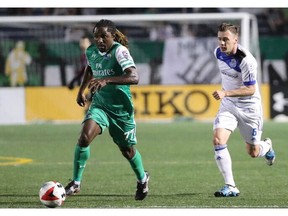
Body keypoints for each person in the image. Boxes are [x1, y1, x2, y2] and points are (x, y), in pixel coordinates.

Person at [64, 19, 150, 201]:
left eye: (104, 36)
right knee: (84, 137)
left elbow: (134, 77)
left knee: (127, 150)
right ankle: (76, 183)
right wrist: (81, 90)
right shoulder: (91, 51)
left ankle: (142, 179)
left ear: (112, 35)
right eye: (96, 37)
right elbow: (90, 67)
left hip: (121, 110)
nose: (100, 40)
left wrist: (107, 80)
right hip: (100, 105)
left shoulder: (120, 51)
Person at [211, 23, 276, 197]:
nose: (222, 43)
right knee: (218, 140)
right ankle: (230, 186)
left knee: (253, 152)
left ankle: (267, 146)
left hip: (249, 109)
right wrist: (226, 95)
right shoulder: (218, 53)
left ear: (235, 40)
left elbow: (251, 89)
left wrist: (225, 92)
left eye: (226, 39)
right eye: (220, 39)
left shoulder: (247, 60)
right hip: (229, 106)